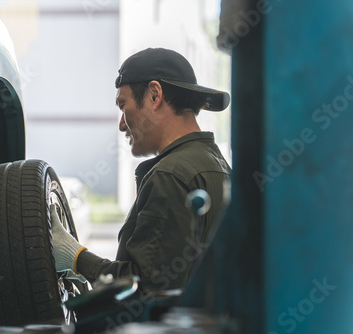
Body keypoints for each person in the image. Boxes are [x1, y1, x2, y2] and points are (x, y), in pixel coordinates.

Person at [51, 47, 231, 292]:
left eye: (123, 105)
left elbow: (145, 290)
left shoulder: (171, 176)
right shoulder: (217, 165)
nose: (122, 124)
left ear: (154, 95)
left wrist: (77, 258)